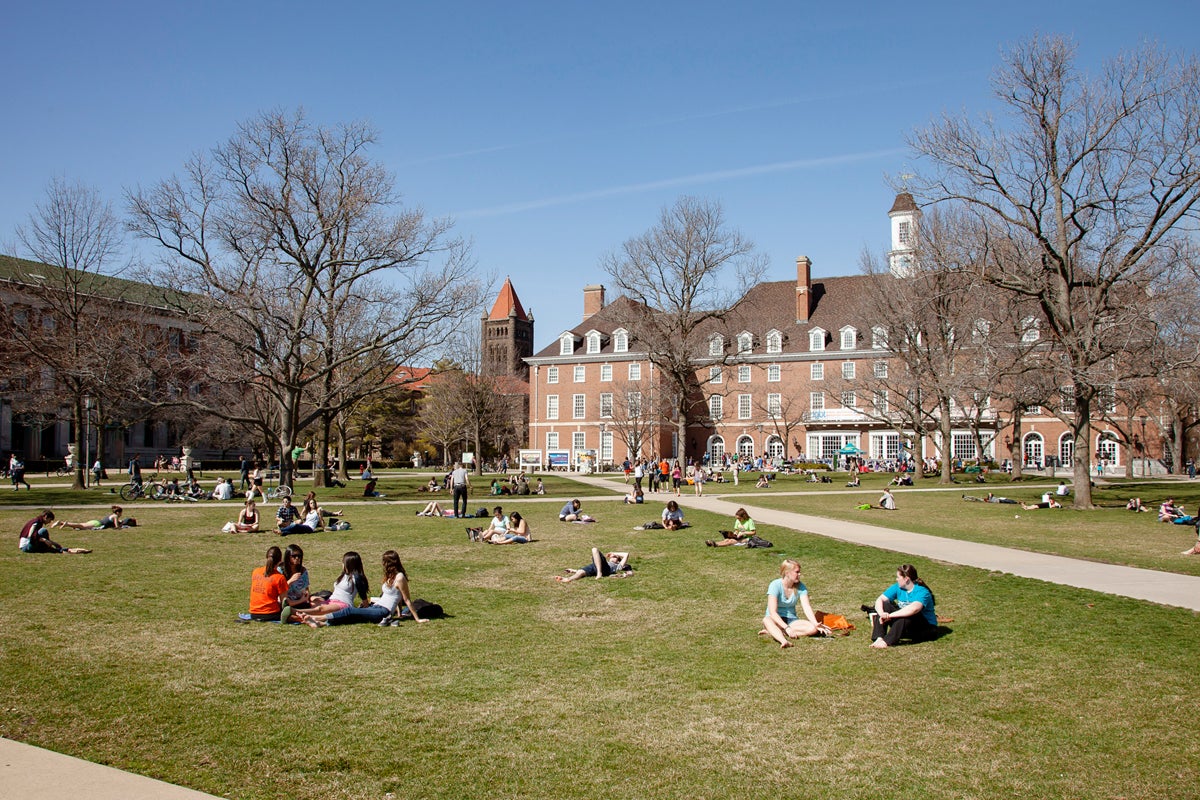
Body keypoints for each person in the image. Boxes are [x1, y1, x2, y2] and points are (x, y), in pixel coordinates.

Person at [300, 550, 428, 626]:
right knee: (353, 616)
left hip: (383, 611)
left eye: (384, 562)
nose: (383, 564)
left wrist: (417, 619)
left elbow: (406, 599)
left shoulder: (400, 578)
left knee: (350, 611)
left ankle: (317, 618)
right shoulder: (391, 576)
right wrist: (399, 614)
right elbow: (397, 598)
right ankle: (322, 623)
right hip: (377, 607)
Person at [761, 559, 829, 648]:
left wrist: (815, 623)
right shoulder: (775, 585)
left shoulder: (801, 587)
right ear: (787, 573)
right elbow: (772, 612)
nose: (799, 574)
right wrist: (786, 628)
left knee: (812, 629)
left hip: (791, 620)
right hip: (775, 619)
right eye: (797, 572)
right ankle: (783, 641)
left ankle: (774, 631)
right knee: (766, 620)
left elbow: (806, 607)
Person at [869, 564, 938, 648]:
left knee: (906, 614)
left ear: (906, 579)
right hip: (905, 625)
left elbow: (914, 609)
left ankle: (886, 642)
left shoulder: (922, 591)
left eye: (898, 577)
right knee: (885, 605)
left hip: (924, 628)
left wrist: (889, 615)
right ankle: (879, 638)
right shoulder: (897, 587)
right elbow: (880, 599)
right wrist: (882, 613)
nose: (896, 579)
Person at [301, 551, 370, 616]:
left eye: (344, 562)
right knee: (313, 600)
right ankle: (302, 613)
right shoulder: (344, 575)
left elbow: (363, 597)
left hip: (343, 604)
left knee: (320, 609)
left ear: (349, 564)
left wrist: (364, 606)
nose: (342, 564)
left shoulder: (357, 578)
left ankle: (296, 612)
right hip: (331, 600)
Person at [247, 546, 289, 621]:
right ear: (280, 561)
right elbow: (284, 602)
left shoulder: (255, 572)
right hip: (270, 613)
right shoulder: (279, 577)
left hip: (253, 613)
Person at [19, 510, 90, 553]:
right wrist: (44, 540)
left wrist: (54, 543)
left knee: (43, 533)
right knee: (43, 531)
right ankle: (57, 549)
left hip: (28, 544)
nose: (50, 522)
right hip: (26, 546)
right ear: (45, 517)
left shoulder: (38, 521)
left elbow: (36, 536)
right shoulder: (36, 522)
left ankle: (54, 548)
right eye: (50, 520)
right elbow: (30, 535)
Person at [554, 549, 631, 582]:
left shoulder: (618, 566)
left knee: (594, 550)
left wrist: (614, 553)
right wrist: (573, 570)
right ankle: (568, 579)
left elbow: (626, 554)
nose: (612, 556)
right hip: (596, 567)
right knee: (580, 572)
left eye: (615, 557)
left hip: (606, 569)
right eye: (612, 556)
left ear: (618, 561)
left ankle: (599, 573)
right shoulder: (602, 562)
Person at [53, 505, 124, 530]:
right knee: (80, 526)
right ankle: (66, 524)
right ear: (118, 512)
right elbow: (116, 527)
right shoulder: (115, 516)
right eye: (121, 513)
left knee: (80, 525)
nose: (121, 514)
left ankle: (60, 523)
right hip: (97, 524)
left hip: (95, 521)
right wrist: (121, 525)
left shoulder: (111, 515)